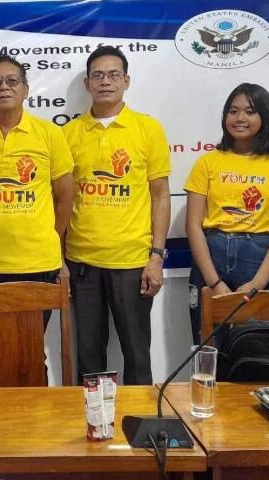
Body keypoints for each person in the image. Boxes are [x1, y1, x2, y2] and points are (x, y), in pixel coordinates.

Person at [0, 54, 74, 386]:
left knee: (33, 353)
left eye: (11, 81)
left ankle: (37, 432)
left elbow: (64, 197)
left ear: (26, 89)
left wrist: (48, 237)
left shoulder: (49, 134)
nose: (3, 87)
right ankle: (1, 433)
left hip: (38, 262)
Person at [64, 46, 170, 385]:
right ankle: (95, 430)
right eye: (98, 75)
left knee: (137, 354)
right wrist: (61, 258)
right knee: (89, 357)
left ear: (126, 81)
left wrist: (156, 257)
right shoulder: (69, 134)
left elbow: (160, 195)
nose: (105, 81)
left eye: (113, 75)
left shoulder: (147, 129)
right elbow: (62, 199)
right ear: (87, 83)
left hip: (132, 262)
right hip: (83, 262)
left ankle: (138, 429)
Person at [184, 83, 269, 343]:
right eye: (233, 111)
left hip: (259, 261)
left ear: (264, 116)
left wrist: (256, 283)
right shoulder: (208, 162)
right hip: (211, 258)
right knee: (208, 349)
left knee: (262, 350)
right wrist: (215, 284)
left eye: (249, 111)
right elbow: (193, 226)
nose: (240, 118)